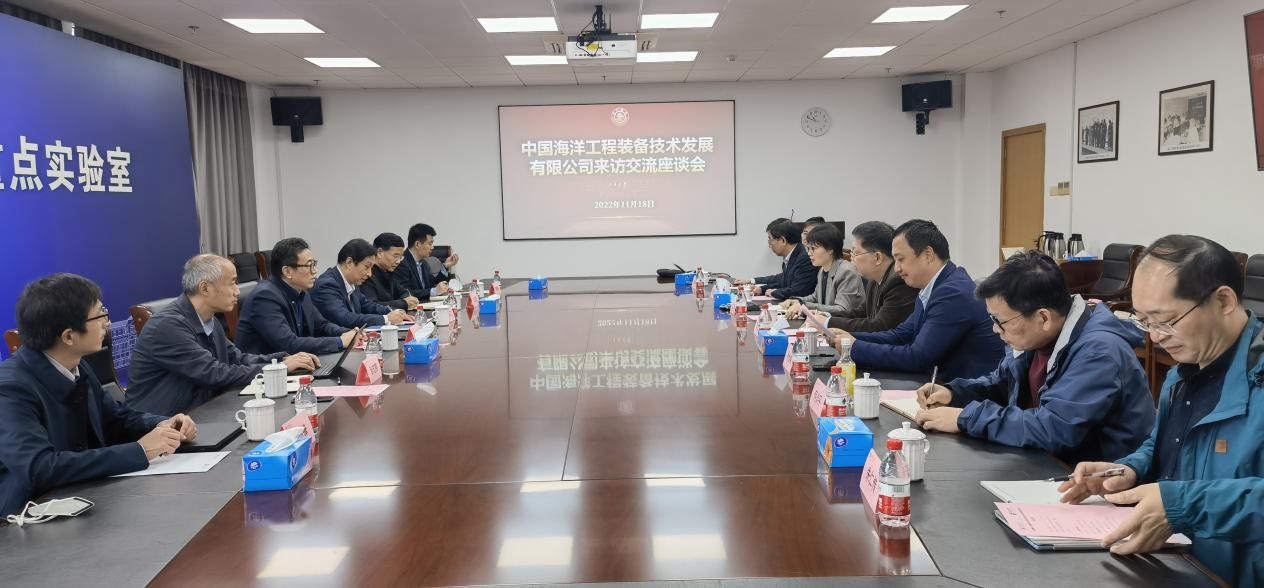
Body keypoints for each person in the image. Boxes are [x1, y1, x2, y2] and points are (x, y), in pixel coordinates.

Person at [1058, 235, 1263, 585]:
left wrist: (1182, 505)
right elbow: (1169, 447)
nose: (1154, 337)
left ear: (1223, 301)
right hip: (1175, 563)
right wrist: (1130, 470)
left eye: (1165, 320)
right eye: (1144, 321)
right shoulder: (1183, 372)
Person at [913, 251, 1154, 463]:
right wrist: (955, 394)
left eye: (1000, 321)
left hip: (1097, 482)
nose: (995, 329)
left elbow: (1055, 428)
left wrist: (966, 418)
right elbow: (1002, 383)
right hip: (1045, 462)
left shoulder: (1099, 352)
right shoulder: (1036, 337)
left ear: (1043, 318)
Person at [0, 274, 196, 516]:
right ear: (68, 336)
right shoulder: (10, 389)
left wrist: (162, 425)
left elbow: (115, 419)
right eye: (100, 315)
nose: (107, 323)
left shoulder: (77, 364)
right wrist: (140, 450)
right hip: (28, 514)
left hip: (85, 496)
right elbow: (40, 468)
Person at [125, 255, 319, 415]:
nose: (237, 291)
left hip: (202, 412)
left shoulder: (209, 320)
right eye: (232, 283)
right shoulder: (168, 326)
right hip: (164, 425)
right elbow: (214, 373)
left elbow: (237, 358)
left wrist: (282, 360)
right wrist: (278, 369)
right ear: (205, 288)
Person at [830, 220, 1004, 382]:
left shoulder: (952, 293)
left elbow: (918, 357)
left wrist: (855, 347)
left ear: (927, 254)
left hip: (968, 392)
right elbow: (900, 335)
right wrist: (848, 337)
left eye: (901, 259)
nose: (897, 268)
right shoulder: (933, 286)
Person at [235, 237, 358, 355]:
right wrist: (340, 341)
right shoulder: (264, 297)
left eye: (314, 264)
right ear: (287, 271)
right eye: (309, 265)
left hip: (296, 363)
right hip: (267, 367)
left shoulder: (301, 291)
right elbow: (289, 344)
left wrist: (348, 333)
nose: (314, 271)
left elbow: (321, 325)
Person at [818, 221, 916, 333]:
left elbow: (880, 326)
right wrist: (826, 315)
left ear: (877, 257)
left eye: (855, 253)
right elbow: (862, 312)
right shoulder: (874, 279)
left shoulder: (898, 281)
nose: (851, 258)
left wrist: (828, 322)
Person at [311, 238, 411, 329]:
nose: (370, 274)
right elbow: (344, 318)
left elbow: (367, 305)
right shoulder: (327, 284)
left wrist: (394, 312)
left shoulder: (352, 282)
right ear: (349, 262)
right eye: (367, 267)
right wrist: (386, 319)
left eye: (371, 268)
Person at [781, 223, 865, 319]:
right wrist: (797, 301)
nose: (809, 253)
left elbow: (841, 310)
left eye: (813, 248)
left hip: (846, 325)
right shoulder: (822, 270)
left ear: (830, 249)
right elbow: (815, 297)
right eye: (808, 248)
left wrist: (804, 305)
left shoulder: (846, 271)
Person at [733, 218, 816, 300]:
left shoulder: (804, 258)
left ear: (783, 240)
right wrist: (761, 288)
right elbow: (782, 281)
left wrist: (774, 292)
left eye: (770, 240)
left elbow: (798, 291)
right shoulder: (792, 255)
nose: (769, 245)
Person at [394, 223, 457, 302]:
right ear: (417, 244)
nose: (432, 247)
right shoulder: (402, 263)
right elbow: (406, 294)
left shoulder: (424, 263)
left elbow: (433, 284)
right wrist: (433, 291)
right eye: (430, 243)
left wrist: (446, 266)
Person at [360, 232, 420, 311]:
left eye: (401, 257)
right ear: (379, 253)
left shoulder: (388, 272)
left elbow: (403, 292)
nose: (398, 261)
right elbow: (371, 306)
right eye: (395, 256)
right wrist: (404, 303)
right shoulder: (367, 275)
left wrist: (408, 299)